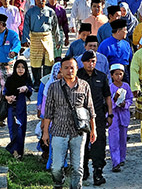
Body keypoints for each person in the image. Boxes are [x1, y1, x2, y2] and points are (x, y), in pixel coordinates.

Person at [42, 57, 97, 189]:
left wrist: (93, 130)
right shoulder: (53, 87)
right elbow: (48, 112)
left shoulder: (84, 86)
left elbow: (90, 109)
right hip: (58, 131)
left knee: (77, 168)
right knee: (56, 168)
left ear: (77, 68)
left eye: (72, 67)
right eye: (66, 67)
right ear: (60, 69)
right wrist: (45, 133)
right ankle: (58, 184)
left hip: (78, 132)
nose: (69, 70)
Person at [77, 50, 113, 186]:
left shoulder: (102, 77)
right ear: (83, 62)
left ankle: (98, 172)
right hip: (80, 116)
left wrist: (110, 114)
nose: (91, 64)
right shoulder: (77, 75)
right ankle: (84, 169)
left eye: (93, 61)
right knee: (82, 144)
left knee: (99, 144)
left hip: (98, 116)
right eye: (88, 61)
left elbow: (107, 96)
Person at [23, 0, 60, 89]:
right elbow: (26, 26)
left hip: (47, 37)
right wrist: (26, 40)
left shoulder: (51, 12)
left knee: (49, 60)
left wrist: (58, 40)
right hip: (35, 38)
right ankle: (36, 83)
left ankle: (46, 81)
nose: (40, 1)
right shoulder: (30, 12)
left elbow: (55, 27)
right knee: (35, 61)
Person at [0, 12, 20, 112]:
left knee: (9, 91)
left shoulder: (12, 34)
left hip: (8, 67)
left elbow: (17, 44)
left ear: (0, 24)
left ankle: (11, 113)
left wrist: (14, 51)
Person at [4, 59, 32, 158]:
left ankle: (20, 152)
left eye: (23, 67)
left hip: (21, 108)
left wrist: (26, 88)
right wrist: (7, 98)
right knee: (13, 128)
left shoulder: (26, 79)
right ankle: (14, 151)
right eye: (18, 67)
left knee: (21, 129)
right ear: (15, 68)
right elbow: (4, 92)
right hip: (11, 108)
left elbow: (30, 91)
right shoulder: (10, 79)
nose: (20, 70)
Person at [108, 64, 133, 173]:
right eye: (116, 74)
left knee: (123, 137)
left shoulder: (126, 86)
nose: (118, 76)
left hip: (123, 114)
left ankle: (122, 157)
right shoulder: (110, 87)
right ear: (112, 75)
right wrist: (115, 101)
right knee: (114, 137)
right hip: (113, 114)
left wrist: (125, 104)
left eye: (120, 74)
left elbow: (130, 98)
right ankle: (115, 161)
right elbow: (108, 100)